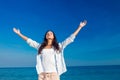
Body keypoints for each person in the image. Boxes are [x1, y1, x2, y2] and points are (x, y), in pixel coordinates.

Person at [13, 20, 87, 80]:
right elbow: (30, 41)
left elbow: (70, 38)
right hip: (43, 74)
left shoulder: (59, 46)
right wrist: (19, 34)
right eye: (47, 33)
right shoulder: (40, 47)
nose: (49, 34)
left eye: (51, 33)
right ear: (45, 36)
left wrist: (80, 27)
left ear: (53, 36)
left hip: (54, 75)